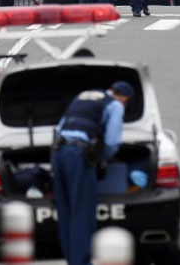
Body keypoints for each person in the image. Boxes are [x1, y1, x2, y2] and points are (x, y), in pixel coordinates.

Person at [51, 81, 134, 265]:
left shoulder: (81, 97)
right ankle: (80, 262)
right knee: (82, 211)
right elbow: (112, 142)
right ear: (125, 99)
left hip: (58, 152)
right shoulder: (114, 105)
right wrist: (101, 159)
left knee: (66, 210)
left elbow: (61, 125)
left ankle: (71, 259)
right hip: (78, 155)